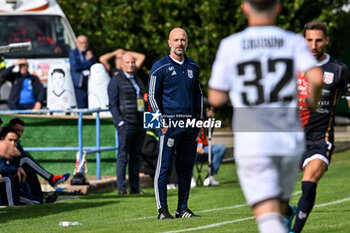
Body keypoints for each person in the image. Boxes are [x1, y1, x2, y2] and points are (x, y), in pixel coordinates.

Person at [208, 1, 323, 233]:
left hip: (254, 138)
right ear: (278, 7)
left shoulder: (231, 45)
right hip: (289, 138)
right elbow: (317, 78)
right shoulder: (293, 41)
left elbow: (216, 97)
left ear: (244, 7)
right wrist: (313, 101)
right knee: (278, 209)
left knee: (268, 218)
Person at [289, 21, 350, 233]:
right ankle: (287, 212)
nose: (313, 45)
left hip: (320, 139)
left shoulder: (339, 70)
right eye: (309, 40)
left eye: (318, 40)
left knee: (309, 183)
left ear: (327, 41)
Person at [148, 27, 202, 219]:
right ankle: (162, 210)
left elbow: (198, 95)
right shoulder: (160, 67)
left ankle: (183, 208)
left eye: (183, 40)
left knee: (186, 167)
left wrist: (199, 120)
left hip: (189, 127)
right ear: (169, 43)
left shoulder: (193, 67)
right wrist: (160, 120)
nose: (180, 43)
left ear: (187, 42)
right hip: (169, 125)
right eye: (176, 40)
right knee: (164, 168)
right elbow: (152, 97)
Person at [107, 53, 146, 195]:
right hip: (126, 124)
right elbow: (112, 104)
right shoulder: (115, 81)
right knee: (123, 156)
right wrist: (120, 122)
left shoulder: (138, 80)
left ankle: (135, 188)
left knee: (136, 156)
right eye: (128, 62)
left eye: (132, 62)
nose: (130, 65)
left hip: (138, 124)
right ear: (121, 64)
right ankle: (122, 188)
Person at [8, 118, 70, 199]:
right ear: (10, 128)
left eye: (21, 131)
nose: (19, 133)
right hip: (7, 167)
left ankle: (39, 196)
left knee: (30, 171)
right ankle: (51, 178)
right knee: (25, 158)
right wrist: (17, 166)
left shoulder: (16, 141)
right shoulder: (5, 139)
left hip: (13, 165)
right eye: (17, 130)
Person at [196, 101, 226, 186]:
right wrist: (195, 147)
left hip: (205, 148)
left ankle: (210, 176)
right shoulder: (191, 117)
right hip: (192, 149)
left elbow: (209, 135)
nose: (212, 111)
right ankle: (190, 179)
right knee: (187, 151)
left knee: (220, 148)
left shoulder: (205, 119)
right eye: (210, 109)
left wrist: (211, 120)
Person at [69, 35, 97, 108]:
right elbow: (76, 67)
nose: (84, 45)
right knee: (81, 105)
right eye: (81, 43)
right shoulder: (73, 53)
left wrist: (91, 59)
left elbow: (94, 66)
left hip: (90, 82)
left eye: (85, 43)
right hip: (79, 83)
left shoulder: (89, 52)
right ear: (77, 44)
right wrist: (88, 63)